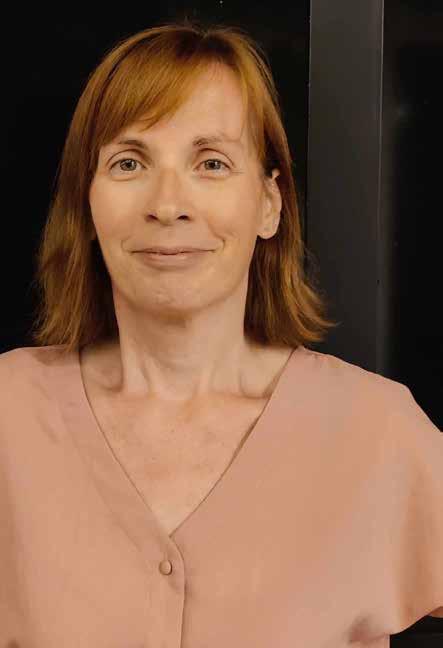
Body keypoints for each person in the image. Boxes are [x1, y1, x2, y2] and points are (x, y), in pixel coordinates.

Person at [1, 19, 442, 648]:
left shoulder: (378, 431)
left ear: (269, 203)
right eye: (129, 162)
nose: (167, 204)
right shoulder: (9, 413)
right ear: (87, 204)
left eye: (211, 163)